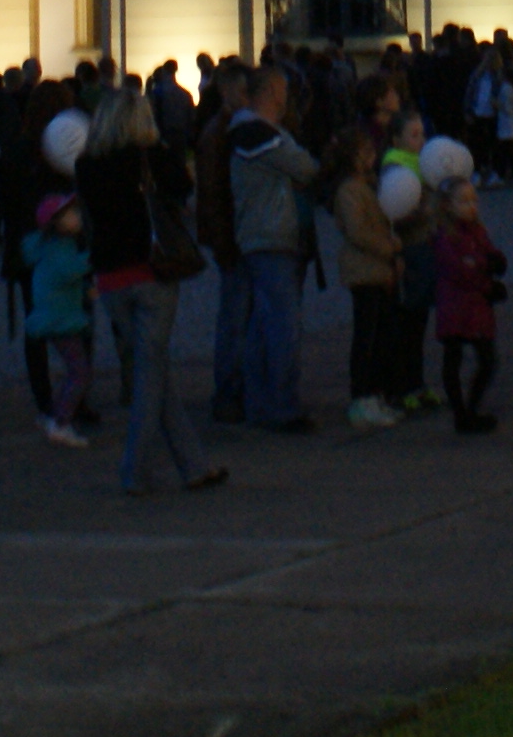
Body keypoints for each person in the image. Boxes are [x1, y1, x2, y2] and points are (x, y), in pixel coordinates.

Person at [74, 83, 225, 495]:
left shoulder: (86, 165)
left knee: (152, 369)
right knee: (150, 374)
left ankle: (194, 466)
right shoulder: (150, 156)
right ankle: (135, 468)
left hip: (111, 276)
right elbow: (182, 186)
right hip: (151, 268)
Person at [225, 66, 320, 435]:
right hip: (270, 234)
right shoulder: (258, 134)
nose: (287, 97)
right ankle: (281, 404)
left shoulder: (249, 132)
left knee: (262, 324)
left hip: (263, 234)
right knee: (281, 324)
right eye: (282, 89)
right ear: (270, 92)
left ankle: (261, 402)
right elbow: (305, 167)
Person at [328, 111, 412, 434]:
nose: (372, 157)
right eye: (366, 152)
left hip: (379, 269)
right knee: (367, 336)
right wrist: (389, 248)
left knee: (382, 336)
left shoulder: (368, 185)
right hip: (364, 270)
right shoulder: (350, 190)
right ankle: (361, 396)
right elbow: (358, 232)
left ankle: (376, 394)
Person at [427, 180, 506, 433]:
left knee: (487, 360)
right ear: (447, 206)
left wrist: (495, 261)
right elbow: (460, 270)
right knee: (454, 358)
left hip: (476, 306)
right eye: (463, 201)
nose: (471, 206)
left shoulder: (477, 230)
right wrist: (486, 278)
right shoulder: (445, 236)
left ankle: (470, 408)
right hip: (456, 306)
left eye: (473, 200)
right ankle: (461, 413)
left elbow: (484, 255)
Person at [20, 196, 95, 444]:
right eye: (71, 214)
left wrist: (85, 289)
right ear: (57, 223)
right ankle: (61, 422)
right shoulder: (61, 248)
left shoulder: (50, 247)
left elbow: (60, 278)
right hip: (60, 320)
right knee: (79, 372)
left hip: (56, 317)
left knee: (75, 369)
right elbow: (68, 271)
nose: (77, 217)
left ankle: (55, 414)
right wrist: (96, 257)